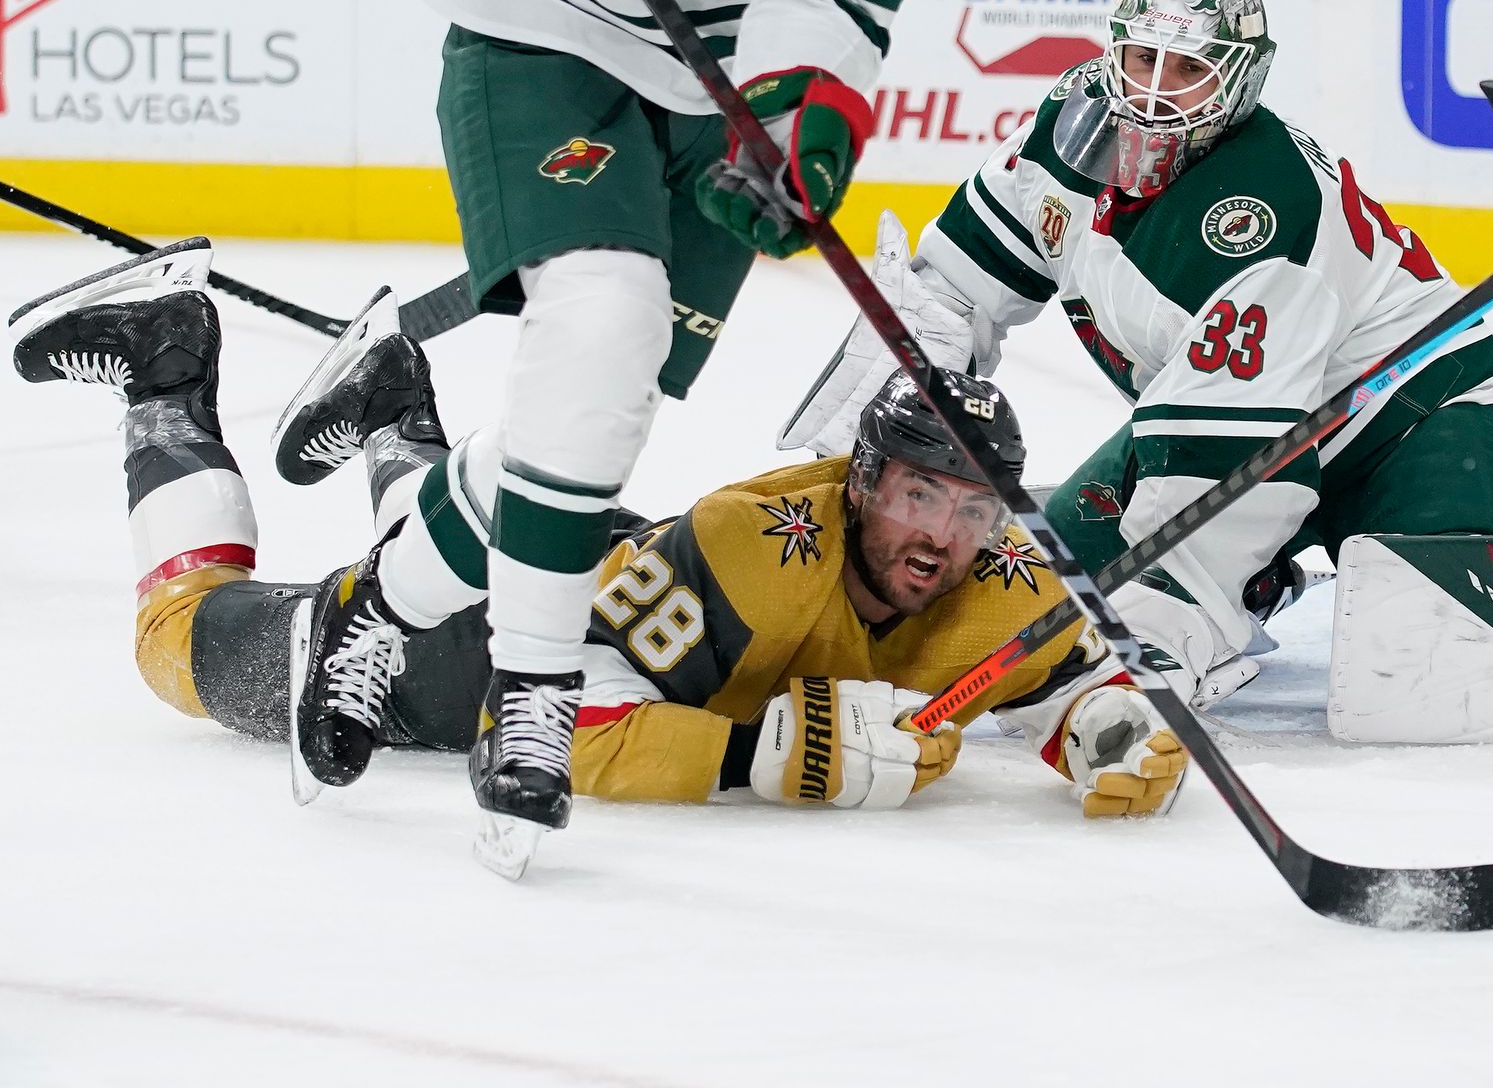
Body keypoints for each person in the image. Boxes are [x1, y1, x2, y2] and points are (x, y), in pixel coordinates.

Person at [8, 245, 1187, 849]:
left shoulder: (1002, 570)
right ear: (862, 477)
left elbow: (1068, 678)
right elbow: (552, 715)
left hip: (609, 563)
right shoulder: (754, 545)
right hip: (470, 658)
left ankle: (397, 411)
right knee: (173, 644)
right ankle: (165, 364)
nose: (944, 536)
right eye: (922, 495)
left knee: (476, 525)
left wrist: (1107, 728)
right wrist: (746, 758)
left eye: (974, 508)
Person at [277, 0, 974, 849]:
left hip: (721, 77)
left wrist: (800, 111)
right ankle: (533, 692)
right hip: (542, 9)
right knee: (602, 321)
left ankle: (377, 599)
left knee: (594, 407)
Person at [779, 0, 1493, 709]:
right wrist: (859, 491)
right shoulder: (1064, 134)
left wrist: (1161, 636)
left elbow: (1226, 466)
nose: (1155, 92)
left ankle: (1279, 579)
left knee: (1429, 678)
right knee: (1038, 593)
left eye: (1188, 70)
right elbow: (946, 301)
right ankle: (1265, 577)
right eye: (1143, 58)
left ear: (1238, 80)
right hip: (1241, 416)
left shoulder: (1254, 216)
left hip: (1414, 424)